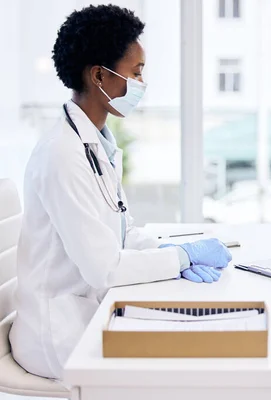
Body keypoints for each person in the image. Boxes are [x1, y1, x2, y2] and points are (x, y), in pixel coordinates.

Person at [9, 5, 231, 380]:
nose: (142, 84)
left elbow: (122, 231)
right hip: (56, 334)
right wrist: (180, 258)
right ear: (99, 75)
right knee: (190, 365)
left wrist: (167, 252)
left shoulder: (94, 145)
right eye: (136, 72)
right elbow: (104, 268)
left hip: (88, 309)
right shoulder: (61, 154)